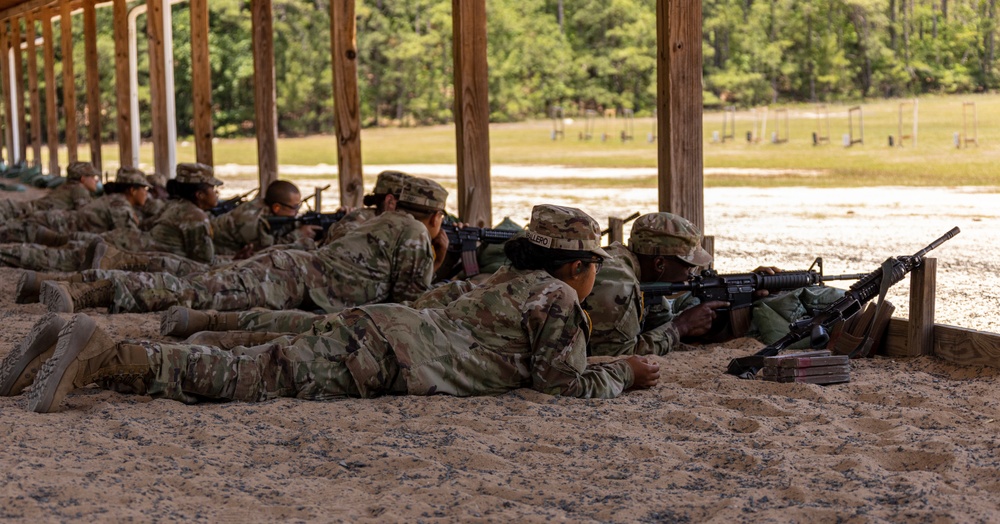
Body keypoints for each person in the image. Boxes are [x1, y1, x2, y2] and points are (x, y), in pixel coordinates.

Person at [6, 204, 660, 412]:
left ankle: (69, 334)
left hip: (382, 327)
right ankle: (100, 355)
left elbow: (429, 299)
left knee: (264, 358)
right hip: (389, 355)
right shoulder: (555, 299)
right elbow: (562, 383)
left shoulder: (498, 280)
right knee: (252, 377)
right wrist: (626, 371)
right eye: (593, 266)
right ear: (577, 265)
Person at [39, 177, 450, 315]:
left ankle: (91, 282)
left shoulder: (378, 220)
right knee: (194, 292)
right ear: (433, 216)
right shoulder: (414, 233)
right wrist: (439, 253)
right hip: (291, 282)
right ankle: (90, 290)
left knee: (197, 284)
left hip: (288, 267)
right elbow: (409, 305)